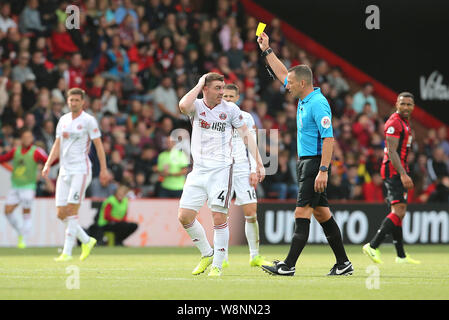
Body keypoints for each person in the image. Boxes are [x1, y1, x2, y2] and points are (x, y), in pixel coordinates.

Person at [257, 32, 353, 276]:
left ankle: (288, 266)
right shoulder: (303, 97)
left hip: (313, 164)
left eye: (290, 83)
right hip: (307, 163)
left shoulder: (318, 104)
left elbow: (329, 138)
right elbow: (281, 72)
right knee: (322, 214)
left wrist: (323, 170)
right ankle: (343, 263)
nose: (285, 85)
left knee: (301, 212)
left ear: (302, 83)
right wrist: (267, 50)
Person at [177, 72, 265, 277]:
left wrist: (259, 163)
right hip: (198, 170)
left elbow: (247, 136)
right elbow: (182, 106)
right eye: (217, 88)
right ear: (205, 89)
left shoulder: (231, 110)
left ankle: (217, 265)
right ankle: (207, 253)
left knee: (218, 217)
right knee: (184, 217)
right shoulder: (197, 107)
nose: (221, 92)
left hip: (221, 170)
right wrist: (199, 82)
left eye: (223, 88)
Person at [42, 88, 108, 262]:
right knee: (61, 213)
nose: (74, 103)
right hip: (64, 170)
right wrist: (48, 163)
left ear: (83, 102)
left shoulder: (89, 121)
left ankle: (67, 252)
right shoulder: (62, 120)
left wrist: (103, 169)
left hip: (81, 170)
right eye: (71, 100)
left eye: (77, 100)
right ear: (67, 101)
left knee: (71, 210)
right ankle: (86, 240)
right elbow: (57, 144)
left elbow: (99, 146)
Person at [363, 92, 421, 264]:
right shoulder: (394, 123)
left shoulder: (405, 123)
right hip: (394, 171)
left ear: (413, 107)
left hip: (398, 170)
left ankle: (401, 255)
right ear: (396, 104)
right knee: (399, 211)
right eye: (402, 104)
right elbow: (391, 150)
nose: (406, 107)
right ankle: (372, 246)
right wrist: (403, 174)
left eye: (409, 104)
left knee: (398, 212)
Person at [222, 83, 270, 268]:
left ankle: (254, 256)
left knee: (251, 212)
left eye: (231, 97)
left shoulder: (247, 118)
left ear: (237, 98)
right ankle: (222, 257)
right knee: (221, 214)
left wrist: (253, 169)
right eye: (224, 96)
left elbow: (251, 144)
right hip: (222, 169)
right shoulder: (215, 116)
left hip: (242, 169)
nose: (227, 100)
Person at [0, 128, 52, 248]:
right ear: (22, 139)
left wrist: (46, 177)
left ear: (32, 139)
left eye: (29, 137)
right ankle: (20, 232)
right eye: (25, 137)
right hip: (15, 186)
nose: (27, 139)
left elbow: (48, 161)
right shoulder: (15, 151)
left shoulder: (36, 151)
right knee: (7, 211)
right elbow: (3, 159)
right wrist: (10, 168)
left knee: (26, 214)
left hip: (28, 187)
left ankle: (24, 240)